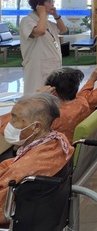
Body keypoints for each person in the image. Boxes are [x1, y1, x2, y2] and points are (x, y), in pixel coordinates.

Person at [0, 92, 74, 222]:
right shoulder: (59, 140)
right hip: (48, 211)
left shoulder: (23, 169)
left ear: (36, 127)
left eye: (15, 119)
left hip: (19, 216)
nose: (10, 124)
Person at [19, 0, 68, 93]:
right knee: (37, 93)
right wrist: (42, 13)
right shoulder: (27, 20)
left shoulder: (47, 22)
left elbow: (63, 30)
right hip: (38, 65)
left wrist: (56, 15)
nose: (52, 4)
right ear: (39, 4)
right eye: (49, 2)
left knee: (52, 93)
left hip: (52, 63)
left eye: (52, 1)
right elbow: (40, 32)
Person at [41, 68, 91, 142]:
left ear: (53, 91)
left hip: (56, 147)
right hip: (74, 144)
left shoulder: (55, 116)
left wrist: (39, 98)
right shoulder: (82, 102)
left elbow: (29, 132)